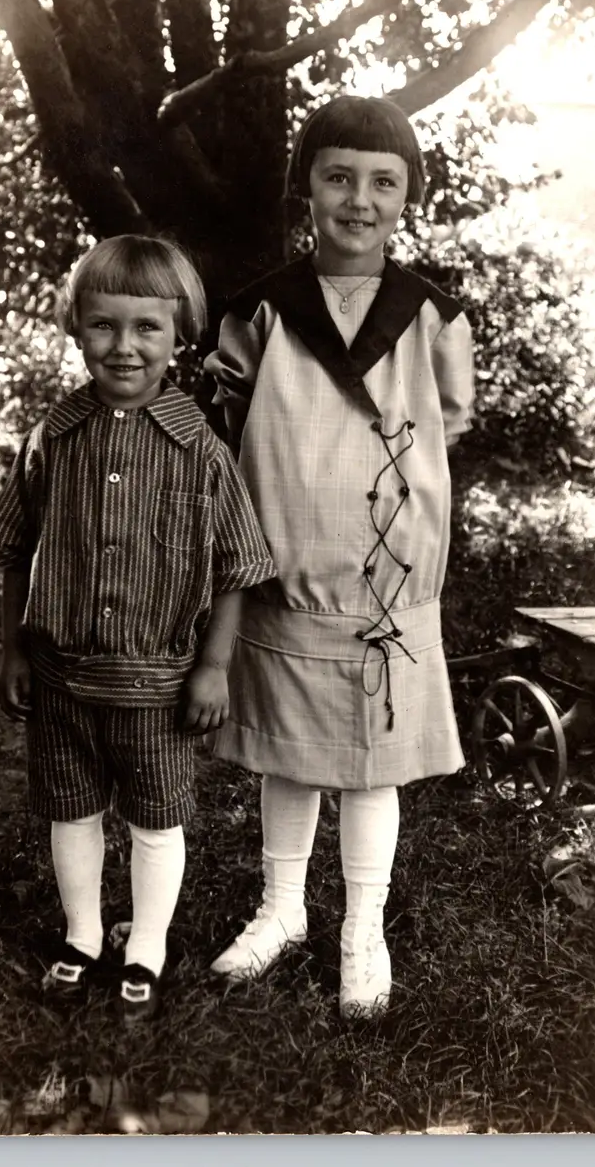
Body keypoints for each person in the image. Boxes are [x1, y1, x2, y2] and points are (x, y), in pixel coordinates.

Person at [204, 95, 475, 1019]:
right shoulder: (261, 312)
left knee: (374, 762)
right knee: (290, 753)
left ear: (407, 198)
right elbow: (227, 419)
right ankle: (281, 909)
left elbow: (451, 423)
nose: (359, 200)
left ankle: (364, 923)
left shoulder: (433, 317)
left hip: (388, 584)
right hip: (285, 571)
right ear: (305, 190)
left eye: (382, 183)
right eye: (338, 177)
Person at [0, 234, 276, 1024]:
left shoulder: (201, 452)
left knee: (154, 818)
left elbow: (239, 565)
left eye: (147, 327)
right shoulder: (53, 438)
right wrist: (13, 646)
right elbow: (12, 547)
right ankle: (82, 936)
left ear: (181, 337)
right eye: (104, 325)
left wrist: (214, 667)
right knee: (70, 809)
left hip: (157, 685)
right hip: (61, 679)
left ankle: (146, 944)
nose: (125, 346)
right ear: (76, 328)